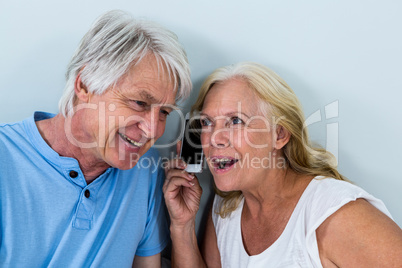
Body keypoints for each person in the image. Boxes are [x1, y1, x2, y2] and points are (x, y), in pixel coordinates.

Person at [0, 10, 191, 267]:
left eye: (164, 113)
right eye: (139, 102)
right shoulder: (6, 158)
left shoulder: (146, 170)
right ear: (85, 85)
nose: (152, 130)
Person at [163, 62, 402, 267]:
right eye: (206, 122)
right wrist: (182, 225)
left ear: (279, 135)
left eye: (235, 121)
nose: (214, 138)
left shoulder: (335, 214)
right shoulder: (226, 208)